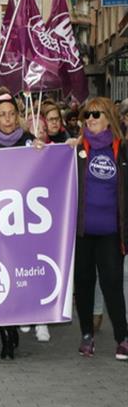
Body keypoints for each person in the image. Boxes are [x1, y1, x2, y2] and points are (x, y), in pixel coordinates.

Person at [0, 89, 44, 358]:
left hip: (20, 219)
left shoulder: (27, 139)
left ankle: (13, 324)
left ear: (18, 115)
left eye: (11, 114)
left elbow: (42, 167)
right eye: (2, 114)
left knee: (15, 275)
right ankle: (4, 332)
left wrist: (42, 151)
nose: (7, 119)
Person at [74, 97, 128, 360]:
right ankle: (87, 335)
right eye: (87, 115)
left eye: (96, 114)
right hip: (83, 232)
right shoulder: (75, 149)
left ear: (108, 117)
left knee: (113, 284)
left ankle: (123, 337)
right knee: (83, 284)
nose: (91, 119)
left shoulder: (123, 150)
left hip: (110, 231)